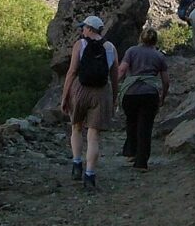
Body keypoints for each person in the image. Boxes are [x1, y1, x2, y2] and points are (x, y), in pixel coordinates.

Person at [60, 15, 119, 190]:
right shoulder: (111, 47)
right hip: (101, 92)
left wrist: (65, 96)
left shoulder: (80, 44)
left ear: (89, 29)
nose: (82, 30)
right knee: (93, 136)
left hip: (80, 90)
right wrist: (114, 98)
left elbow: (72, 72)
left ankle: (77, 164)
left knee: (76, 128)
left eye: (83, 27)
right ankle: (90, 176)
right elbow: (114, 77)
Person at [118, 27, 170, 171]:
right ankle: (141, 162)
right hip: (150, 94)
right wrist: (163, 96)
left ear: (141, 38)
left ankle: (131, 152)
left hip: (130, 93)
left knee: (131, 122)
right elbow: (166, 81)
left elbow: (122, 70)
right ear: (155, 40)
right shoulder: (159, 56)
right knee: (145, 127)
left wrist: (114, 88)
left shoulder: (131, 51)